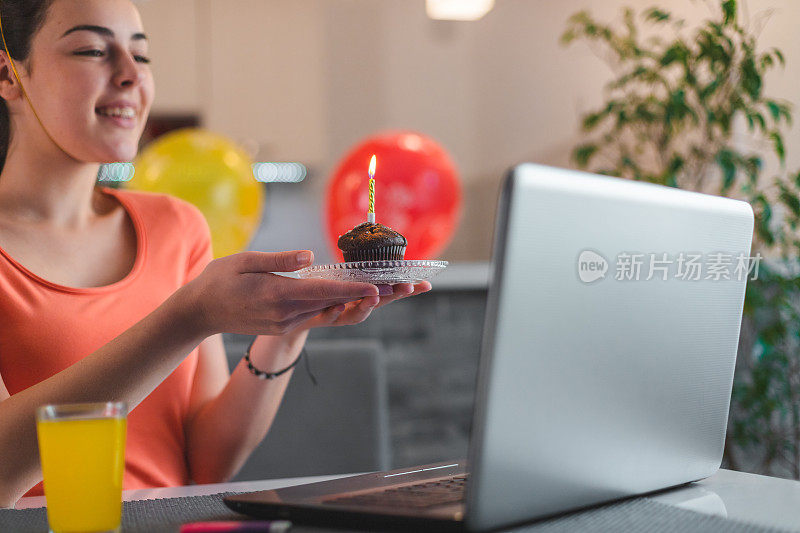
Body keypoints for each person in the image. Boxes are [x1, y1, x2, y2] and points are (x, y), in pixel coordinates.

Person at [0, 0, 431, 507]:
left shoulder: (176, 227)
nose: (129, 76)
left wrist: (287, 331)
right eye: (93, 50)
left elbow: (206, 464)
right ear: (9, 76)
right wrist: (187, 318)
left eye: (141, 56)